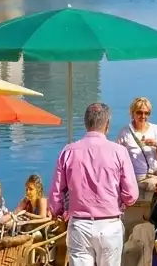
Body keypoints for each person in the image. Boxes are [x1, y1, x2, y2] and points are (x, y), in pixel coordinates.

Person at [51, 102, 139, 266]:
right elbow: (131, 194)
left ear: (86, 123)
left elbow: (56, 191)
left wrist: (59, 211)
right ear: (107, 124)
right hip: (109, 224)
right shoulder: (119, 151)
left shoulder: (68, 151)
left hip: (79, 223)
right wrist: (125, 202)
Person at [118, 97, 157, 191]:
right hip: (139, 176)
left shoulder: (156, 129)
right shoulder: (125, 132)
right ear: (132, 113)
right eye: (139, 112)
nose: (143, 116)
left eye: (146, 113)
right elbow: (119, 156)